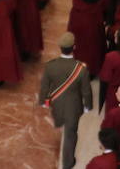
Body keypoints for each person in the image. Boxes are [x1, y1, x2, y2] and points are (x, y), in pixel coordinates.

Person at [38, 32, 93, 169]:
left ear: (60, 47)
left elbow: (44, 86)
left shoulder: (50, 66)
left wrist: (44, 102)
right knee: (70, 134)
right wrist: (88, 106)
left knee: (62, 125)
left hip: (57, 104)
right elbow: (86, 91)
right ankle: (68, 163)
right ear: (74, 47)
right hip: (73, 107)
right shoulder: (81, 69)